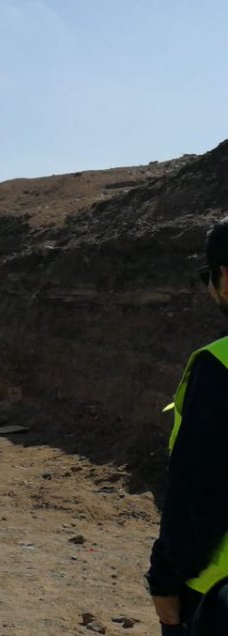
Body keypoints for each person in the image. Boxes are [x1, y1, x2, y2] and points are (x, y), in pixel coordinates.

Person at [146, 218, 228, 634]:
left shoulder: (218, 365)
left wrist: (164, 578)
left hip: (216, 595)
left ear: (224, 277)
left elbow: (200, 492)